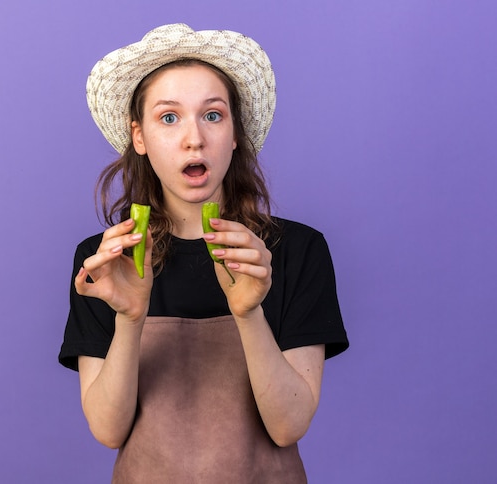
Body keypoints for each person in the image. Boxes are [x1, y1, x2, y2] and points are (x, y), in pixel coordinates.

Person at [59, 23, 349, 483]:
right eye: (168, 118)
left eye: (213, 115)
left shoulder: (297, 251)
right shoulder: (104, 262)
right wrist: (129, 318)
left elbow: (289, 426)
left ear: (234, 132)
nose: (194, 137)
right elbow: (108, 430)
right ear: (139, 137)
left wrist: (249, 312)